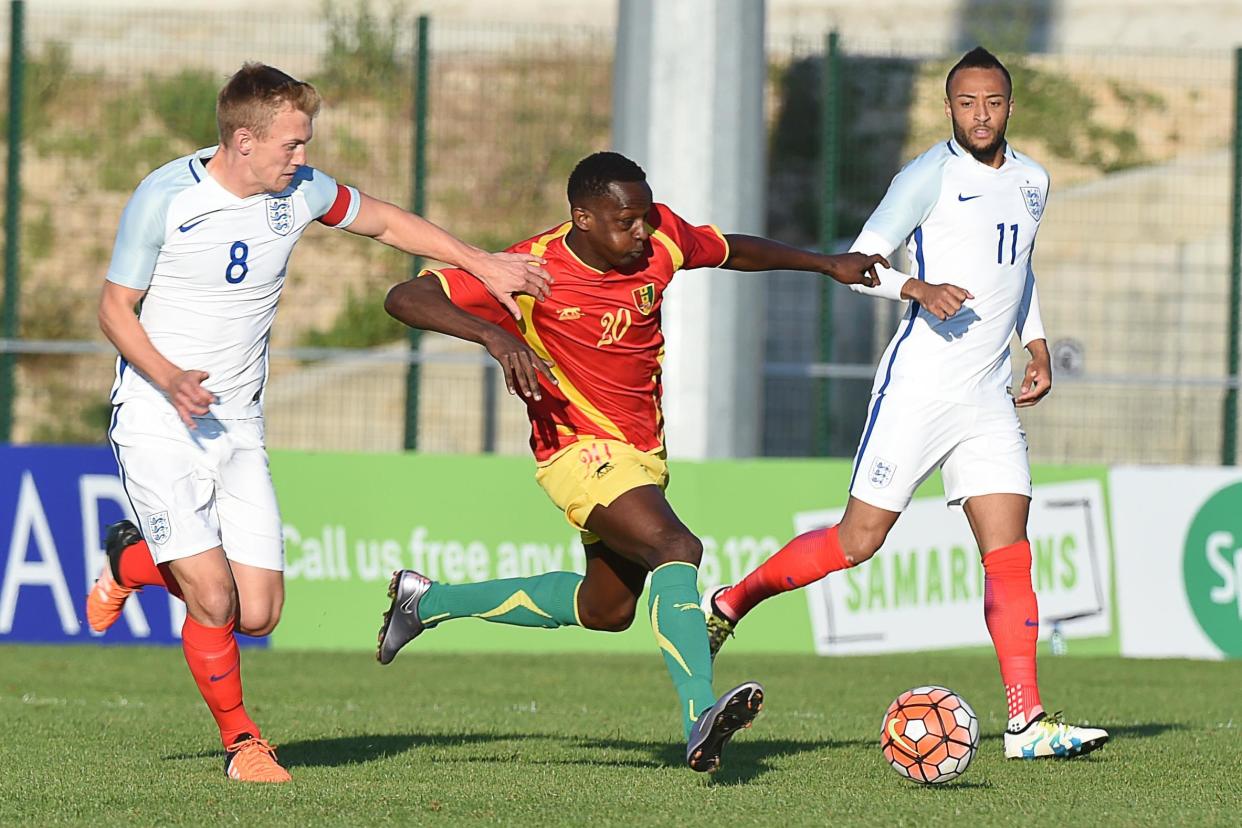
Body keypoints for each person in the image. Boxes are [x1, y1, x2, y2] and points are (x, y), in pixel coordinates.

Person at [84, 62, 551, 783]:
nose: (302, 158)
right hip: (157, 414)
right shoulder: (166, 198)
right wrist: (169, 376)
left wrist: (480, 262)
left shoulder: (299, 194)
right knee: (211, 596)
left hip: (236, 423)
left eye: (304, 144)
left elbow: (389, 222)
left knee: (259, 613)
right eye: (291, 145)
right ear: (244, 140)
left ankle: (129, 562)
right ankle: (245, 745)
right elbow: (115, 308)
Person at [376, 150, 887, 773]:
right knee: (677, 547)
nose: (642, 231)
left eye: (645, 217)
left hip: (641, 454)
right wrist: (494, 333)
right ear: (583, 218)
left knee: (606, 610)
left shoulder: (658, 239)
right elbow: (404, 296)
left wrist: (825, 263)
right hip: (576, 449)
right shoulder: (531, 268)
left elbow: (731, 249)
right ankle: (699, 714)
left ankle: (424, 603)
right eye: (627, 220)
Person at [701, 47, 1109, 760]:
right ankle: (734, 600)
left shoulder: (1034, 181)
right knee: (857, 542)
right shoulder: (926, 175)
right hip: (920, 386)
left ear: (1009, 105)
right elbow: (860, 265)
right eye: (966, 103)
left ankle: (1026, 722)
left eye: (992, 101)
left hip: (986, 393)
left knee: (1010, 553)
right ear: (948, 108)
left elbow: (1020, 267)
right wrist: (917, 289)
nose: (980, 114)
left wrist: (1035, 344)